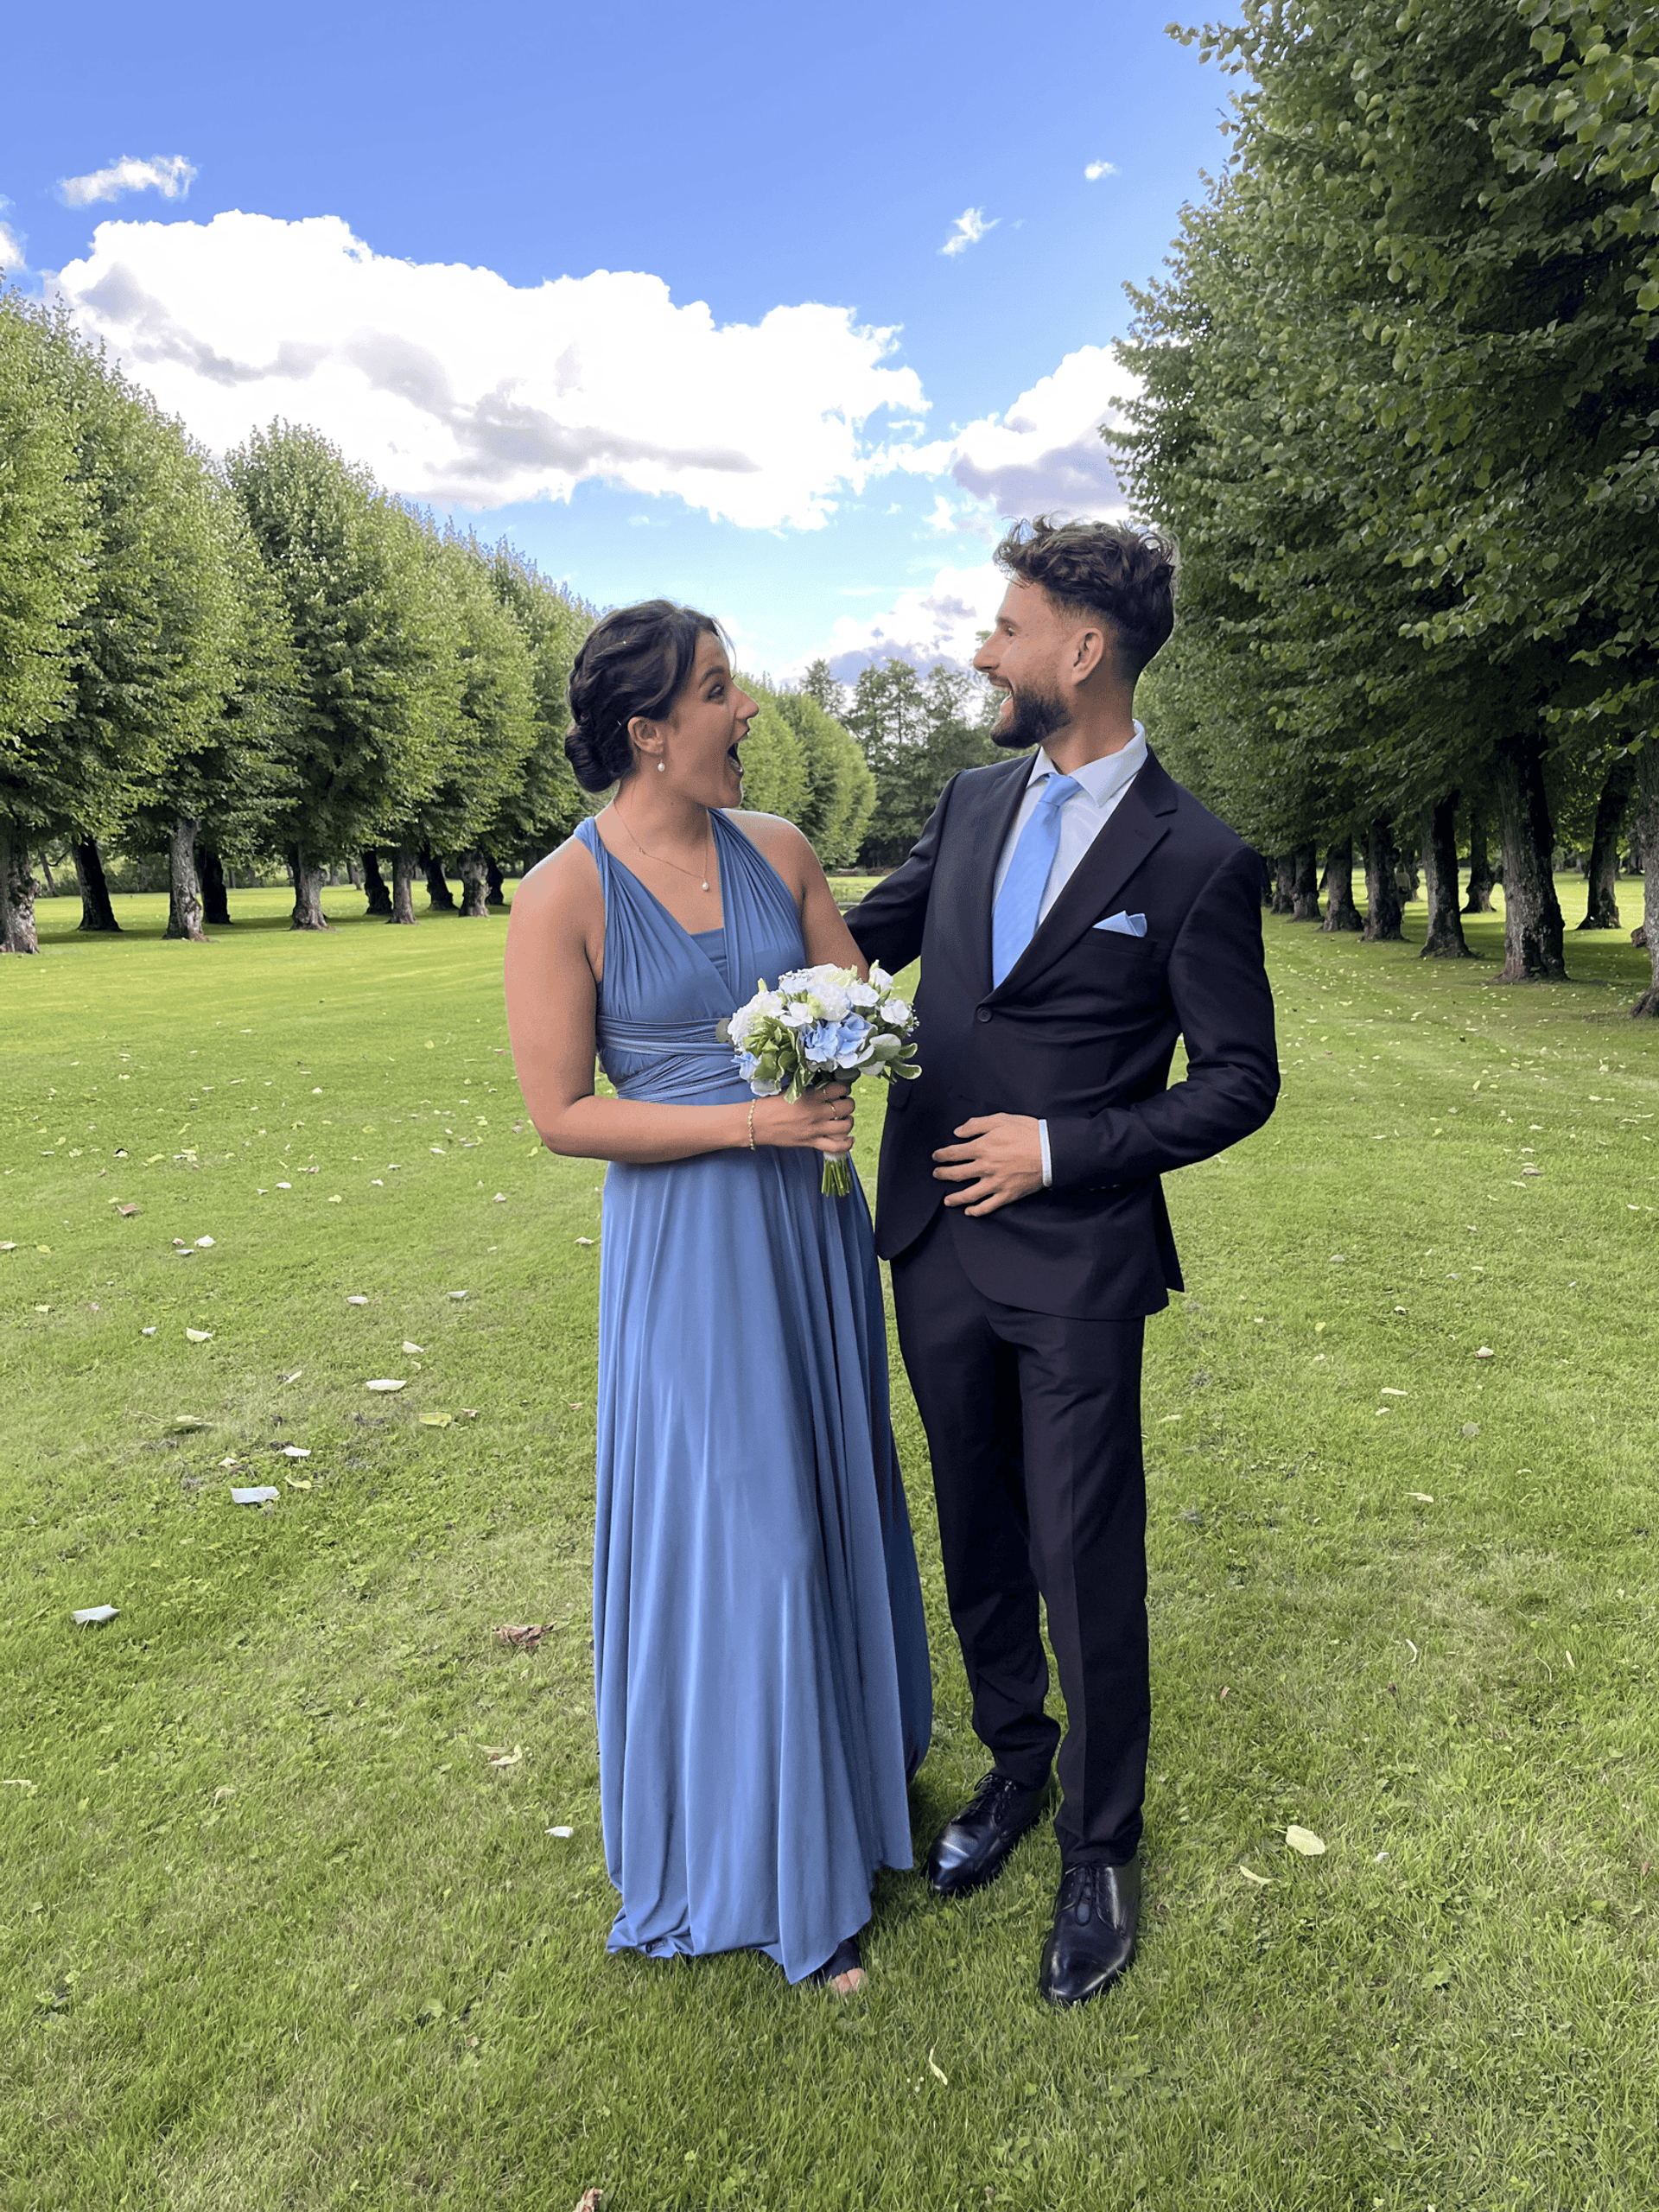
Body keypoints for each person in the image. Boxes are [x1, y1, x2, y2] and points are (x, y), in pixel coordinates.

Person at [844, 517, 1279, 2007]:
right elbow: (858, 942)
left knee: (1082, 1550)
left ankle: (1101, 1844)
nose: (985, 648)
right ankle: (1016, 1766)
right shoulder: (967, 801)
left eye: (1008, 625)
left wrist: (1063, 1146)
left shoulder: (1200, 856)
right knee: (976, 1529)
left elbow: (1238, 1079)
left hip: (1081, 1264)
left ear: (1081, 652)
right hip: (936, 1252)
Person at [503, 600, 931, 1995]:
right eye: (720, 692)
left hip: (810, 1231)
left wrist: (841, 1052)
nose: (746, 712)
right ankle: (775, 1870)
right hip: (690, 1250)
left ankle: (854, 1803)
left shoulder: (783, 852)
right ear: (648, 731)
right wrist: (750, 1123)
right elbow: (562, 1115)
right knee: (752, 1536)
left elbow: (863, 1005)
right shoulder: (563, 893)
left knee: (825, 1499)